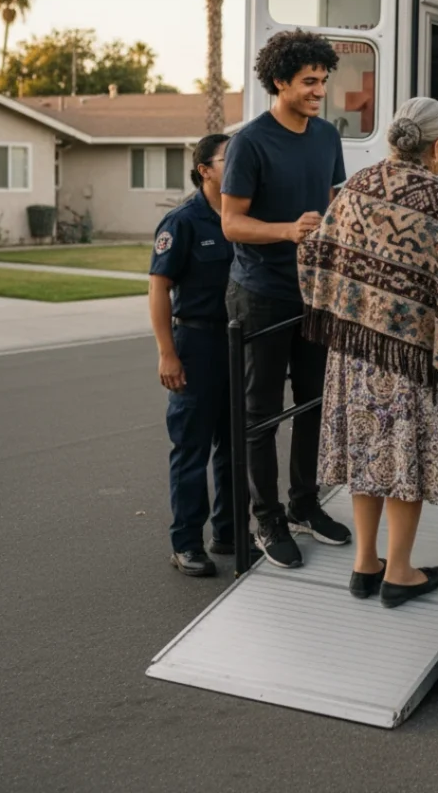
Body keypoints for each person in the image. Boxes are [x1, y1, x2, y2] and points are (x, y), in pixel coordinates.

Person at [297, 98, 438, 608]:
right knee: (404, 456)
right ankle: (399, 573)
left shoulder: (355, 187)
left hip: (355, 352)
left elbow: (316, 252)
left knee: (368, 453)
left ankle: (363, 563)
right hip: (414, 356)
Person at [221, 29, 351, 569]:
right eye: (309, 82)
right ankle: (267, 518)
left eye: (323, 81)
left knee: (315, 405)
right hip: (262, 295)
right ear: (280, 82)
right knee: (261, 414)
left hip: (314, 295)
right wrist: (286, 231)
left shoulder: (326, 136)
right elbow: (231, 223)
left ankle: (303, 506)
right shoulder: (250, 142)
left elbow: (331, 201)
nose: (319, 90)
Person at [149, 133, 243, 577]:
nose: (238, 164)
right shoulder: (182, 221)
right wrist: (167, 353)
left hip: (239, 344)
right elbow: (159, 288)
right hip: (197, 341)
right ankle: (186, 543)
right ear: (204, 169)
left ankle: (227, 533)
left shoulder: (245, 213)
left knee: (235, 444)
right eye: (229, 158)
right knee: (192, 448)